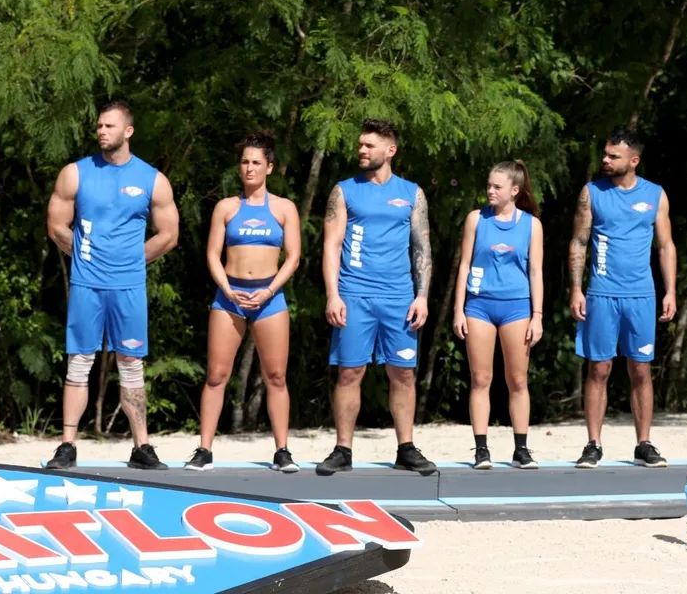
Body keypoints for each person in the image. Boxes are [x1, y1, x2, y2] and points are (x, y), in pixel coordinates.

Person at [45, 101, 179, 470]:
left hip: (129, 285)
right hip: (87, 283)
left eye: (110, 126)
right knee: (79, 361)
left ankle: (142, 447)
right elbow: (56, 226)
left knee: (131, 363)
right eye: (99, 126)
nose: (102, 131)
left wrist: (132, 260)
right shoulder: (75, 173)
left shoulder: (152, 179)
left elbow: (169, 234)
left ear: (128, 131)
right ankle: (67, 446)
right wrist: (86, 256)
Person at [316, 119, 436, 475]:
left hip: (399, 297)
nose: (362, 150)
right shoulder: (344, 191)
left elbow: (422, 247)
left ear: (390, 150)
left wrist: (422, 296)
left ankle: (406, 448)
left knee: (403, 374)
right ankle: (343, 450)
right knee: (350, 372)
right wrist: (333, 295)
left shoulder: (412, 193)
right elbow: (331, 245)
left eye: (369, 145)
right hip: (354, 294)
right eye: (360, 145)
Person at [186, 131, 302, 473]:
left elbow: (293, 256)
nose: (249, 168)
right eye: (244, 162)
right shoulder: (226, 207)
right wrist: (226, 287)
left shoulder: (284, 208)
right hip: (230, 296)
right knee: (216, 375)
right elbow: (212, 254)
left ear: (269, 167)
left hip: (269, 297)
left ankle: (282, 451)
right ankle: (204, 450)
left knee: (276, 376)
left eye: (256, 163)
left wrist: (269, 290)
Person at [569, 128, 677, 469]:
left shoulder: (655, 194)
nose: (605, 159)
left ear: (633, 160)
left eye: (613, 156)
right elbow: (579, 242)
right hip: (601, 293)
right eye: (605, 153)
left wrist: (671, 291)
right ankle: (593, 444)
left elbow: (666, 246)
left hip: (641, 295)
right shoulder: (591, 193)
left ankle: (644, 443)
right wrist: (576, 289)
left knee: (641, 370)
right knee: (599, 368)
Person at [453, 161, 545, 470]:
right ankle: (481, 449)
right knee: (481, 379)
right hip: (479, 305)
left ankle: (521, 449)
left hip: (516, 307)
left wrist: (537, 315)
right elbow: (464, 266)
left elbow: (535, 271)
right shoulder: (476, 219)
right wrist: (458, 309)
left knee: (517, 380)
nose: (490, 191)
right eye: (489, 185)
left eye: (497, 187)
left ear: (514, 191)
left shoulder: (531, 225)